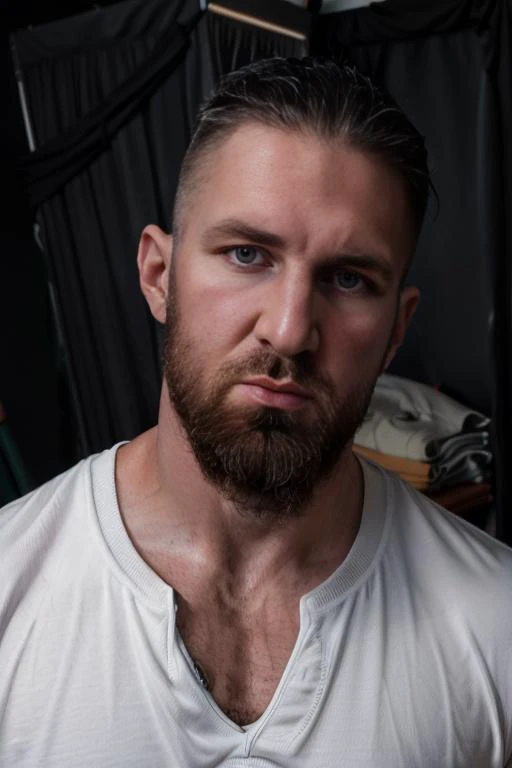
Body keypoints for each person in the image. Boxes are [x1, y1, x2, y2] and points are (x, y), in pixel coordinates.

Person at [1, 57, 511, 768]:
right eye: (247, 254)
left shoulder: (496, 622)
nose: (290, 328)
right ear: (159, 277)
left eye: (348, 279)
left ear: (396, 329)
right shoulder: (11, 588)